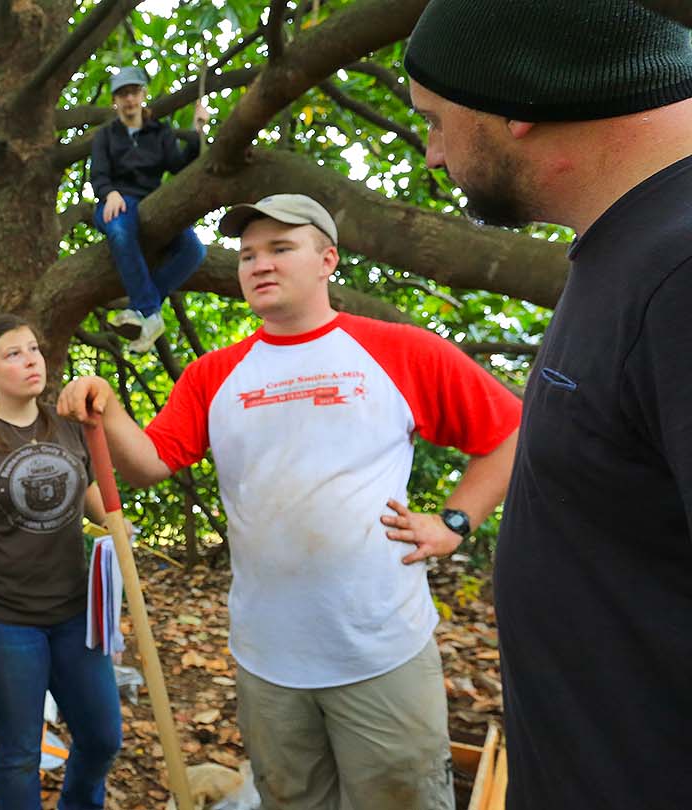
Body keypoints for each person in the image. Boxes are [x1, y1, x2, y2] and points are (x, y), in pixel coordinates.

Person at [58, 194, 522, 810]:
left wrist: (456, 521)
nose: (259, 265)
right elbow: (151, 464)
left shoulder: (401, 350)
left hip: (379, 647)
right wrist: (111, 408)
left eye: (281, 248)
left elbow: (510, 433)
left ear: (328, 259)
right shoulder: (213, 375)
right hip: (268, 657)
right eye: (248, 254)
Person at [405, 3, 692, 807]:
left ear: (517, 98)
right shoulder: (629, 245)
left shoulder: (682, 270)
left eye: (433, 121)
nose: (431, 155)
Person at [0, 314, 123, 809]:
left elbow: (89, 491)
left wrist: (119, 529)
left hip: (77, 613)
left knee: (102, 737)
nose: (29, 359)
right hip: (6, 619)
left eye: (32, 349)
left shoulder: (68, 426)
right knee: (18, 753)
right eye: (12, 353)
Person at [90, 65, 210, 352]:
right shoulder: (105, 136)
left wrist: (198, 132)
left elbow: (179, 168)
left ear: (143, 94)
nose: (129, 99)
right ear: (114, 101)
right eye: (122, 94)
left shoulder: (160, 132)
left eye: (133, 92)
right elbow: (98, 176)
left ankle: (144, 309)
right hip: (117, 201)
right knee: (119, 230)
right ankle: (149, 310)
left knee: (195, 251)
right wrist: (110, 193)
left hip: (152, 203)